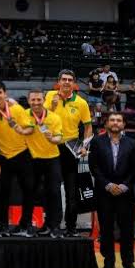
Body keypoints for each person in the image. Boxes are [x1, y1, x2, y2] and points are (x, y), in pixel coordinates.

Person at [88, 112, 135, 268]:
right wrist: (108, 185)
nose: (115, 123)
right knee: (106, 230)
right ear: (106, 123)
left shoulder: (132, 143)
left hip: (126, 193)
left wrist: (125, 185)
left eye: (119, 120)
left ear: (124, 124)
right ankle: (108, 263)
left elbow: (134, 169)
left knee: (126, 230)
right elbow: (94, 167)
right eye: (112, 120)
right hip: (104, 192)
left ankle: (128, 263)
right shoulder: (96, 142)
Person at [46, 70, 93, 237]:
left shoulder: (81, 103)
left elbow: (88, 127)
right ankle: (53, 226)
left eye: (70, 80)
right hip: (52, 147)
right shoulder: (50, 96)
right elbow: (42, 119)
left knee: (72, 192)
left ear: (74, 84)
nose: (66, 82)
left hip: (71, 149)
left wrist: (85, 145)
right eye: (63, 80)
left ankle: (71, 227)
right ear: (58, 82)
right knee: (52, 190)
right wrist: (51, 105)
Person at [0, 82, 35, 237]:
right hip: (3, 157)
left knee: (28, 190)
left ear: (5, 93)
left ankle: (25, 223)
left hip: (22, 154)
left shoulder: (16, 109)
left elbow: (30, 128)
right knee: (2, 192)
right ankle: (3, 224)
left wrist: (23, 130)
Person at [25, 89, 64, 238]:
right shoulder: (24, 115)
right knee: (30, 192)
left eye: (39, 100)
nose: (36, 103)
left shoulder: (54, 118)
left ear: (43, 100)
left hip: (51, 159)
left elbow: (58, 139)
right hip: (32, 159)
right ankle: (27, 225)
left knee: (53, 192)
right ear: (29, 101)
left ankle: (54, 226)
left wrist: (51, 139)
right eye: (33, 100)